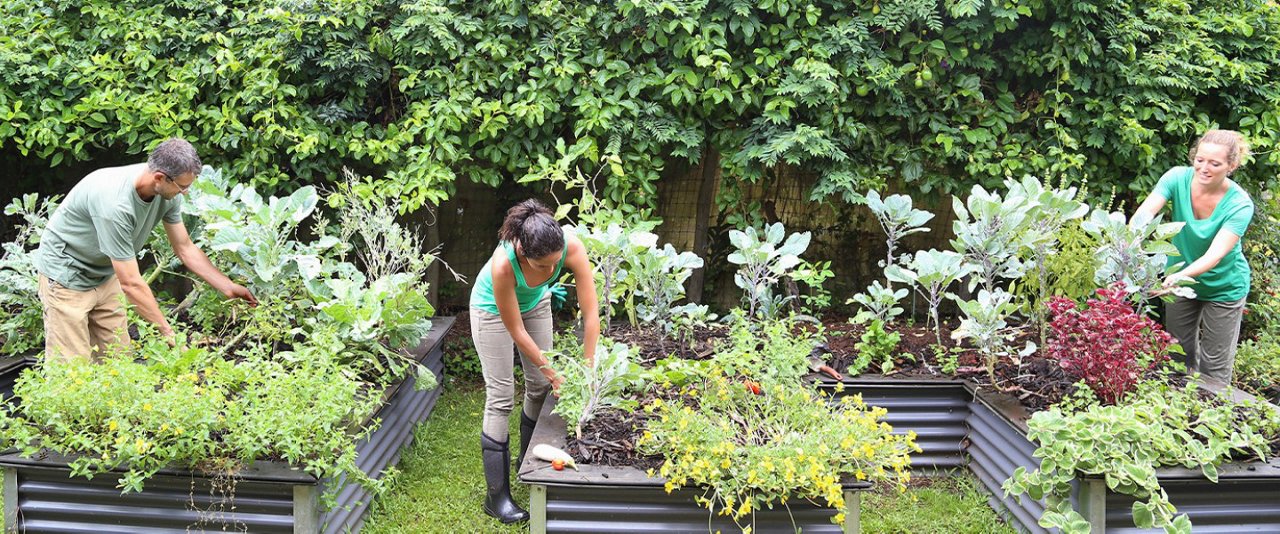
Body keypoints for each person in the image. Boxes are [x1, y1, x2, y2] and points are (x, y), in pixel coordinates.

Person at [33, 138, 257, 362]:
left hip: (104, 274)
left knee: (118, 361)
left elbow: (185, 247)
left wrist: (227, 286)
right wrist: (169, 334)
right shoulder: (115, 205)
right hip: (66, 274)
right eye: (182, 187)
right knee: (72, 368)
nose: (186, 193)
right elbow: (131, 283)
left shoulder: (168, 192)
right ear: (159, 177)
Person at [469, 199, 600, 523]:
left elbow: (591, 312)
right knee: (501, 397)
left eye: (556, 264)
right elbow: (515, 330)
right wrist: (554, 372)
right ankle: (496, 497)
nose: (551, 271)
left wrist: (588, 367)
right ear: (523, 254)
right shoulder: (504, 263)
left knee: (539, 387)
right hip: (491, 312)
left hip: (535, 303)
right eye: (542, 266)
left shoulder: (570, 246)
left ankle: (526, 462)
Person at [1134, 129, 1254, 381]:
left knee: (1214, 369)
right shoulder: (1176, 178)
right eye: (1200, 160)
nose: (1204, 168)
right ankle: (1178, 414)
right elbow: (1145, 214)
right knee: (1178, 355)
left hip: (1223, 287)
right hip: (1179, 281)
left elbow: (1215, 255)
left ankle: (1213, 417)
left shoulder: (1239, 204)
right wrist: (1130, 242)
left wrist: (1179, 276)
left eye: (1215, 163)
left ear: (1231, 165)